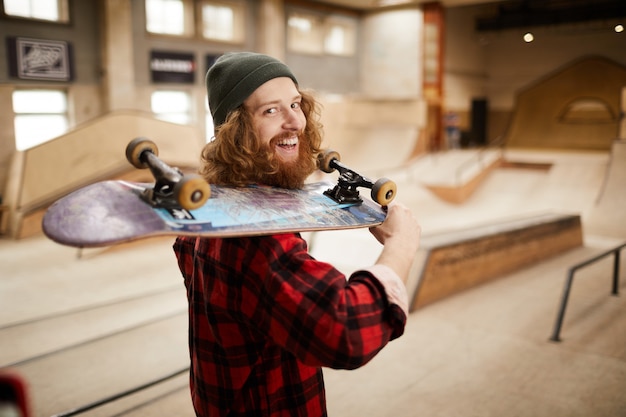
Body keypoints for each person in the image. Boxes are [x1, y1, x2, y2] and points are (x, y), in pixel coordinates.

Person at [173, 52, 421, 417]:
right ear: (236, 129)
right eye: (270, 111)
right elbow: (347, 332)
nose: (295, 122)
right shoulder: (255, 238)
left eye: (295, 104)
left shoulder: (214, 207)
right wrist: (400, 246)